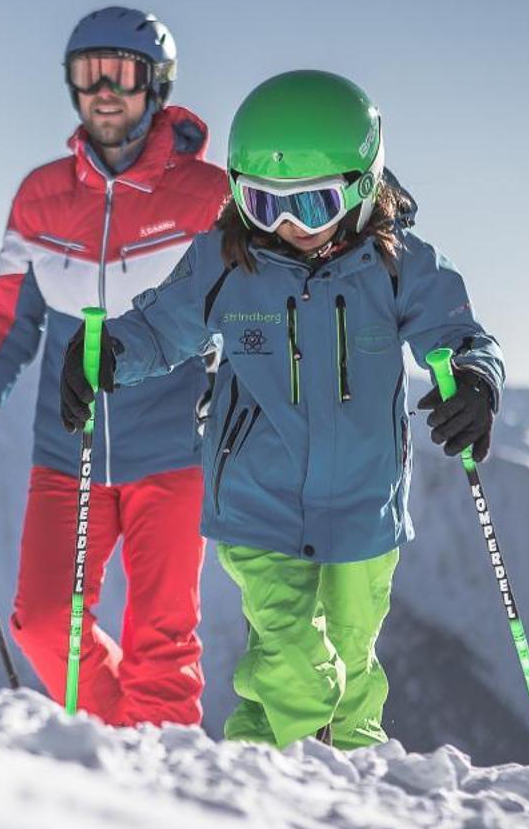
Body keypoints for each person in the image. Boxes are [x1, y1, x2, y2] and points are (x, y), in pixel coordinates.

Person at [60, 69, 503, 747]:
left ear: (364, 186)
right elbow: (162, 326)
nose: (289, 227)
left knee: (348, 666)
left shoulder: (400, 266)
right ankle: (313, 789)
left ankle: (297, 784)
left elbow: (459, 335)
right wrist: (106, 354)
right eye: (265, 206)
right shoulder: (227, 260)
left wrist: (473, 381)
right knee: (294, 659)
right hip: (257, 500)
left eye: (315, 204)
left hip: (364, 504)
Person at [0, 7, 229, 726]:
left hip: (172, 451)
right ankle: (128, 754)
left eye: (124, 72)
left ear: (157, 85)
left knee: (162, 646)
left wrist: (233, 389)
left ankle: (164, 794)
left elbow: (247, 311)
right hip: (67, 448)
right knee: (44, 623)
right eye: (89, 73)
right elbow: (8, 325)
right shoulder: (41, 196)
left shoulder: (208, 196)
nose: (105, 90)